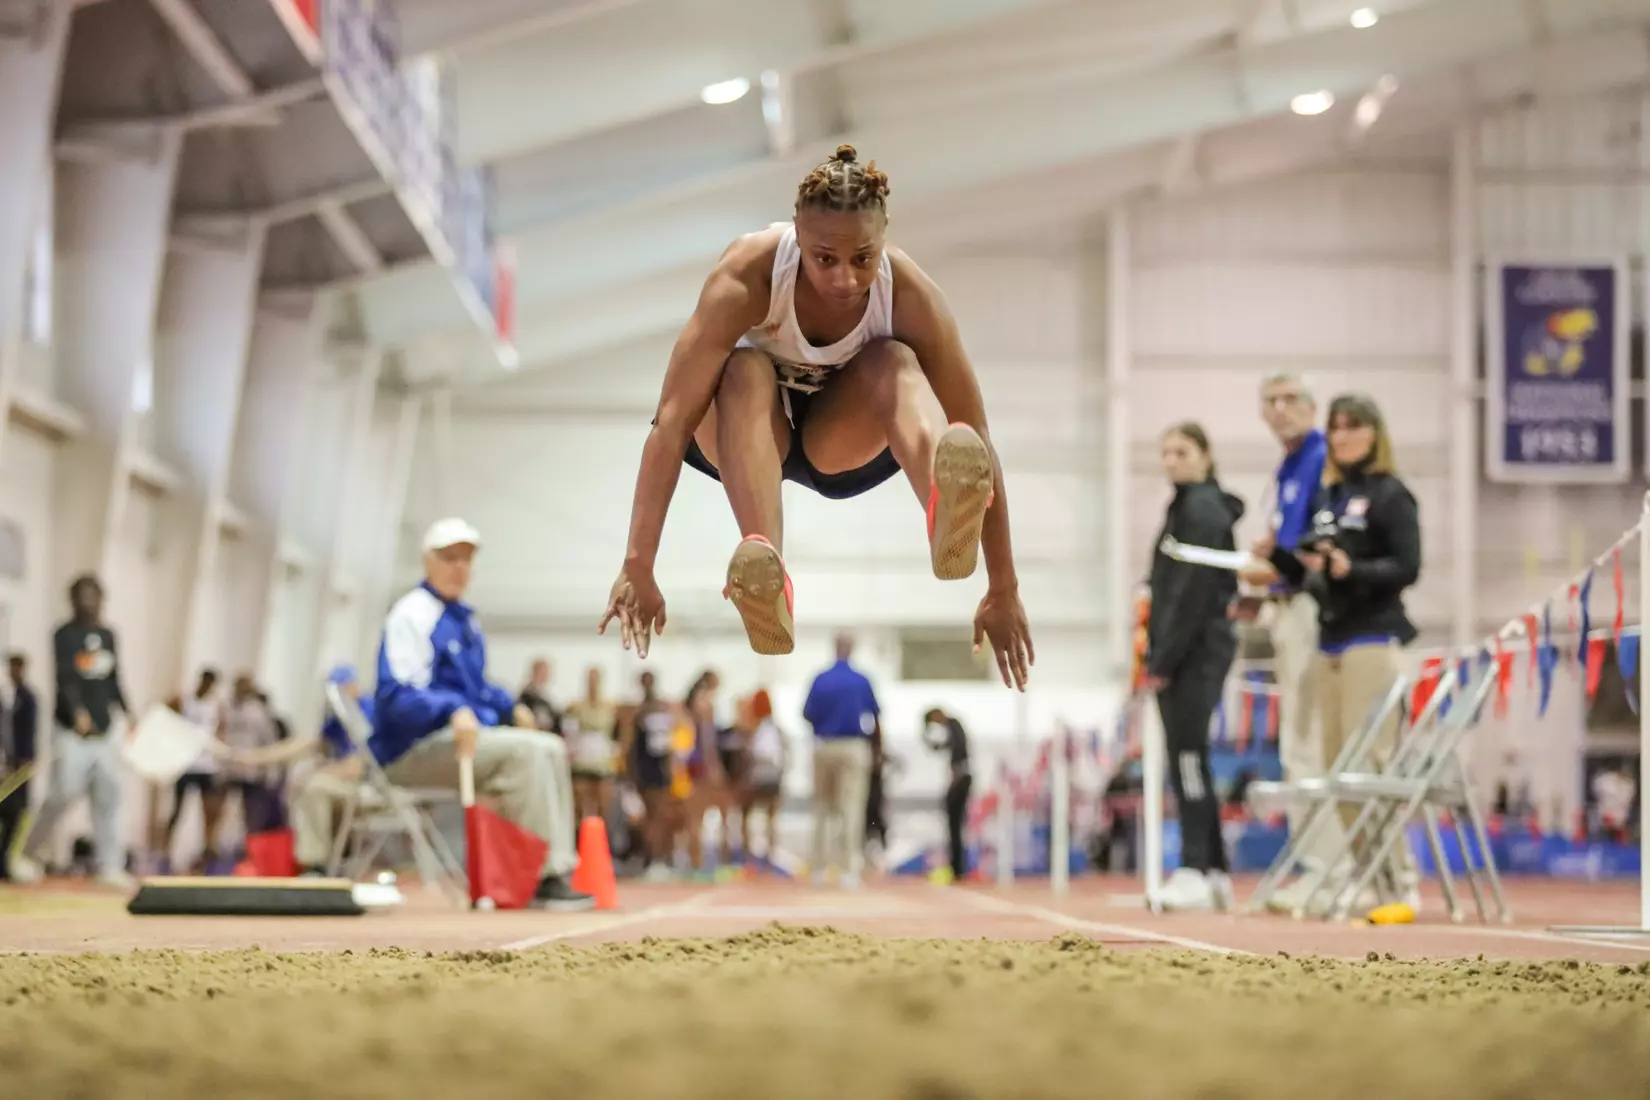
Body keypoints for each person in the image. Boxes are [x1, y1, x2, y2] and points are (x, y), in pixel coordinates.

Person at [598, 144, 1033, 689]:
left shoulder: (911, 295)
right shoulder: (747, 274)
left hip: (840, 442)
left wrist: (1003, 586)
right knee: (742, 370)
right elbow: (670, 424)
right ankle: (766, 569)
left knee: (893, 360)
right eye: (824, 258)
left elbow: (979, 441)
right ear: (797, 238)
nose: (846, 280)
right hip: (746, 439)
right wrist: (639, 562)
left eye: (863, 260)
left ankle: (943, 505)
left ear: (884, 240)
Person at [370, 517, 593, 910]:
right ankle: (539, 875)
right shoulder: (412, 614)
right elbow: (394, 697)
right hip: (410, 752)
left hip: (461, 745)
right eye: (450, 557)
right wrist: (452, 709)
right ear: (427, 562)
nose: (460, 567)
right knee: (526, 753)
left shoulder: (464, 620)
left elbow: (476, 688)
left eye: (467, 559)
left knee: (549, 746)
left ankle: (549, 871)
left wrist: (511, 706)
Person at [1265, 392, 1422, 914]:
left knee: (1371, 764)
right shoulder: (1330, 496)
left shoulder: (1391, 494)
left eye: (1354, 426)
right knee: (1337, 766)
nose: (1343, 435)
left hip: (1372, 641)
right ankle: (1367, 872)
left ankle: (1399, 879)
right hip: (1329, 640)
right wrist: (1285, 564)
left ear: (1375, 433)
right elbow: (1315, 572)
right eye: (1336, 427)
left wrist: (1351, 570)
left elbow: (1407, 567)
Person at [1236, 372, 1337, 912]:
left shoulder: (1322, 459)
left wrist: (1272, 565)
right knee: (1301, 743)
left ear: (1312, 406)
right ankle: (1319, 868)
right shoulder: (1289, 467)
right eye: (1269, 401)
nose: (1279, 409)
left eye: (1289, 399)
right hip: (1286, 607)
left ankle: (1327, 872)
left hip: (1310, 611)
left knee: (1310, 743)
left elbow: (1305, 551)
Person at [1143, 422, 1244, 911]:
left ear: (1205, 456)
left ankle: (1194, 867)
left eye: (1181, 451)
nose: (1171, 461)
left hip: (1193, 655)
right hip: (1191, 652)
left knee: (1186, 759)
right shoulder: (1184, 508)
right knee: (1192, 758)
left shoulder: (1202, 510)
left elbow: (1190, 594)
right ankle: (1215, 871)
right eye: (1164, 453)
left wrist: (1162, 660)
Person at [10, 575, 132, 887]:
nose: (86, 602)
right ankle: (25, 854)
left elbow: (114, 680)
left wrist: (130, 714)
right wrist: (77, 712)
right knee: (62, 793)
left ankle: (110, 866)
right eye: (81, 596)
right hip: (70, 731)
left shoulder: (108, 635)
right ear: (72, 599)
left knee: (108, 796)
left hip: (104, 733)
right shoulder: (64, 634)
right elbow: (64, 677)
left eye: (92, 596)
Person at [802, 634, 880, 888]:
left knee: (822, 808)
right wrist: (879, 749)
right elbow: (876, 717)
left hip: (824, 744)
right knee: (851, 808)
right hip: (853, 747)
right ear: (852, 649)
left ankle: (818, 870)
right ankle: (848, 871)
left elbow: (807, 714)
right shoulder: (861, 680)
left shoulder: (820, 679)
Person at [163, 668, 227, 873]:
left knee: (209, 811)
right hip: (186, 764)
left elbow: (221, 731)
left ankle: (207, 851)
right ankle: (165, 852)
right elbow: (163, 715)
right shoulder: (185, 700)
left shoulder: (216, 705)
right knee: (177, 810)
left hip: (206, 765)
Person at [620, 670, 681, 882]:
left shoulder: (661, 710)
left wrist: (672, 766)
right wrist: (629, 771)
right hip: (645, 768)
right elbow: (628, 744)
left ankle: (657, 859)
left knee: (659, 816)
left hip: (658, 767)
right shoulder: (637, 712)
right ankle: (653, 859)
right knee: (649, 817)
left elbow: (670, 743)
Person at [737, 689, 788, 867]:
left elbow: (761, 753)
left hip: (758, 779)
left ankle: (751, 853)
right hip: (772, 778)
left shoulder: (758, 728)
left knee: (747, 814)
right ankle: (767, 852)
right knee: (770, 817)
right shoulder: (774, 727)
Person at [922, 706, 972, 884]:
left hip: (960, 778)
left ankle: (958, 868)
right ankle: (956, 867)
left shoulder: (953, 725)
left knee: (954, 824)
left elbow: (958, 750)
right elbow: (945, 747)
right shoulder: (953, 729)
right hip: (960, 777)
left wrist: (954, 778)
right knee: (953, 825)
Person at [562, 666, 618, 823]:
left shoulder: (610, 707)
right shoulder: (575, 707)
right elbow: (569, 733)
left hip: (602, 765)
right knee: (579, 809)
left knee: (603, 809)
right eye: (590, 679)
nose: (593, 683)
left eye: (596, 679)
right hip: (581, 763)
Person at [0, 652, 38, 881]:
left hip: (17, 768)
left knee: (16, 813)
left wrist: (27, 760)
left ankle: (5, 861)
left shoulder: (28, 698)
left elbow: (30, 732)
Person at [518, 657, 562, 734]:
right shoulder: (527, 696)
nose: (545, 675)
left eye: (546, 672)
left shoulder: (546, 697)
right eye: (542, 672)